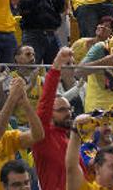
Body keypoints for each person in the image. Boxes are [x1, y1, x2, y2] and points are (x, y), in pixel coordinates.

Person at [32, 48, 74, 190]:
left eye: (69, 109)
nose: (68, 113)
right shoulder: (43, 136)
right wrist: (56, 65)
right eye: (62, 110)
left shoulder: (72, 140)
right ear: (50, 114)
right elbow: (45, 103)